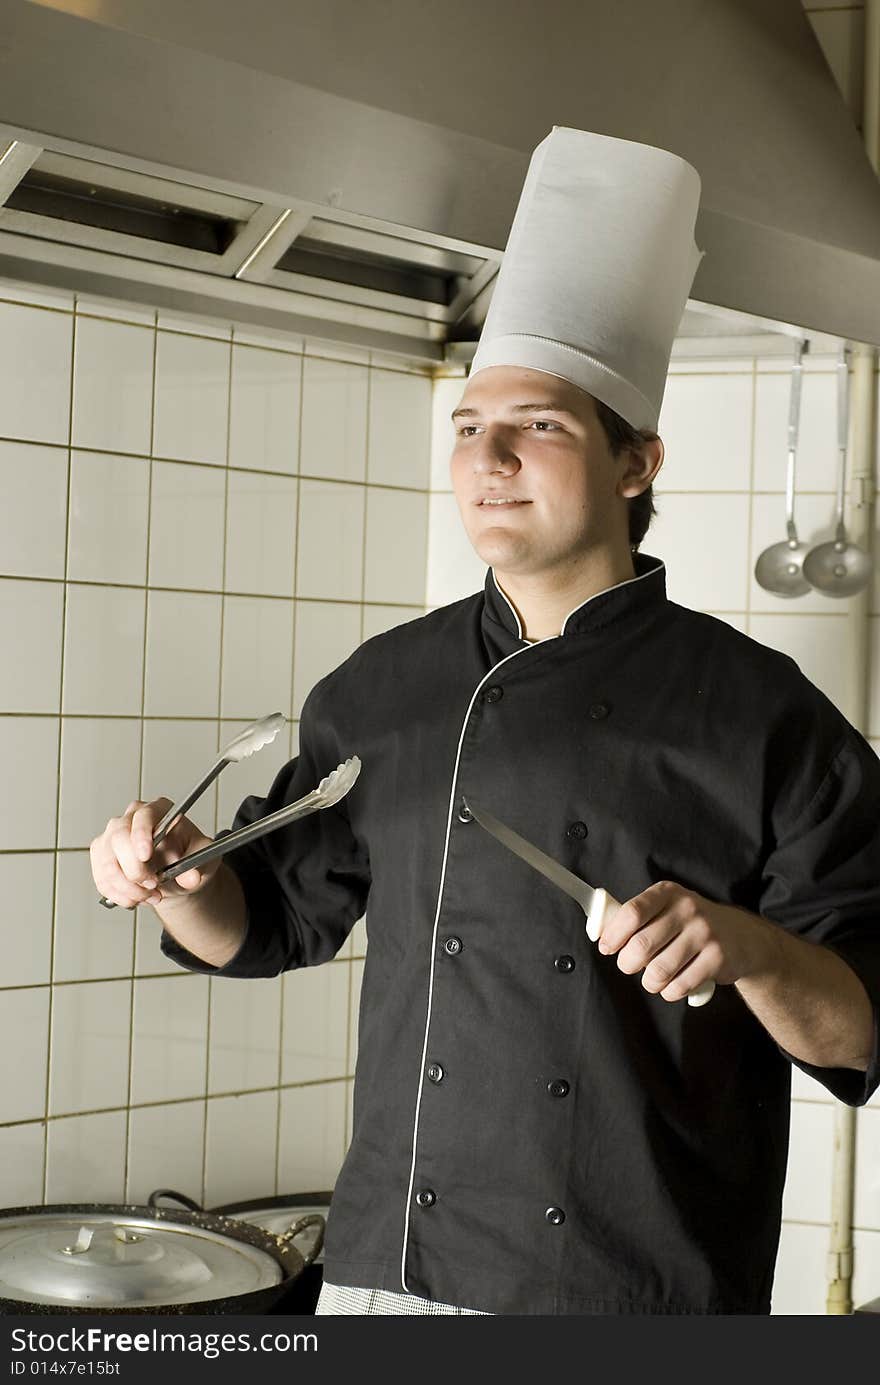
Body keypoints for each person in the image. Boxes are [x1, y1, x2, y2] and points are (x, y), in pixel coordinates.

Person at [90, 128, 880, 1316]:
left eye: (541, 425)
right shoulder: (385, 687)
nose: (488, 456)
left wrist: (751, 946)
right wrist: (170, 874)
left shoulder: (760, 712)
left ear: (636, 463)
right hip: (384, 1277)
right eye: (467, 427)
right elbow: (263, 925)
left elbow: (864, 1026)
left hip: (638, 1291)